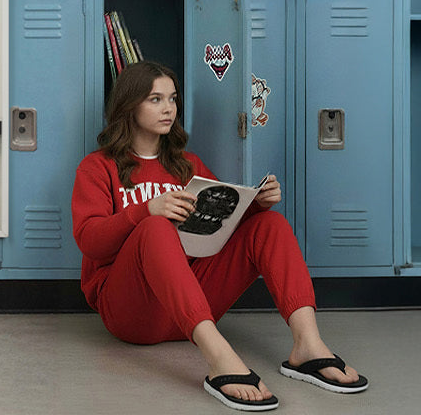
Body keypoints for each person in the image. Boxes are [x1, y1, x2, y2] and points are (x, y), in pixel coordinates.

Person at [71, 62, 368, 411]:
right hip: (133, 315)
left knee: (269, 225)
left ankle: (308, 345)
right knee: (155, 227)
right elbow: (90, 241)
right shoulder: (97, 167)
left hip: (191, 306)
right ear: (129, 105)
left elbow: (221, 227)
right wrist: (146, 210)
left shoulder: (188, 165)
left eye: (172, 98)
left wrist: (254, 205)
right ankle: (220, 358)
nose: (168, 108)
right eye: (155, 99)